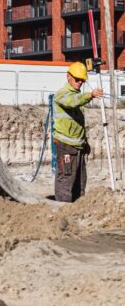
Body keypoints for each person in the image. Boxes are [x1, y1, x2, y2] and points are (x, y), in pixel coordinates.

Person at [53, 61, 103, 202]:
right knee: (66, 178)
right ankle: (62, 208)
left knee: (80, 180)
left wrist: (84, 142)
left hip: (77, 145)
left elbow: (77, 123)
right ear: (68, 76)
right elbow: (72, 101)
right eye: (77, 79)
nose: (80, 82)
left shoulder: (77, 96)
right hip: (66, 145)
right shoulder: (62, 94)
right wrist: (90, 95)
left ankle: (78, 207)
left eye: (82, 80)